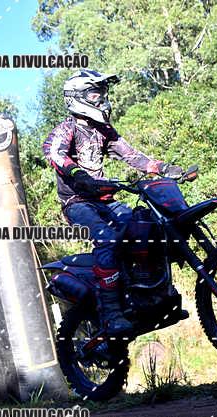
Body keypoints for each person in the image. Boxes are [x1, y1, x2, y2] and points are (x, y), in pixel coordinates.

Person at [42, 69, 182, 334]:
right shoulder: (67, 129)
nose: (102, 99)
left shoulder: (104, 130)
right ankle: (111, 314)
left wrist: (163, 168)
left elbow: (132, 156)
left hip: (105, 199)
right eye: (95, 94)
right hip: (77, 202)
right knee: (107, 240)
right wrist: (78, 174)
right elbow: (54, 153)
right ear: (76, 97)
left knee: (145, 227)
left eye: (102, 94)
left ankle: (149, 289)